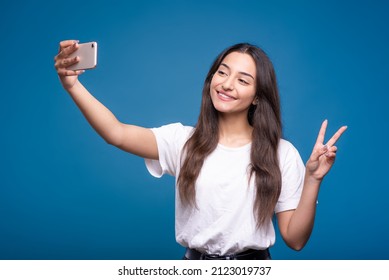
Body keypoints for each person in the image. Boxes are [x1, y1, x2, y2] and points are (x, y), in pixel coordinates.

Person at [54, 40, 347, 260]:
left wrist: (313, 180)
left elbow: (295, 240)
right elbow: (116, 133)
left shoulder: (281, 153)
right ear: (211, 77)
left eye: (243, 80)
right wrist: (72, 86)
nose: (227, 84)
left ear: (257, 97)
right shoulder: (183, 141)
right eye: (223, 72)